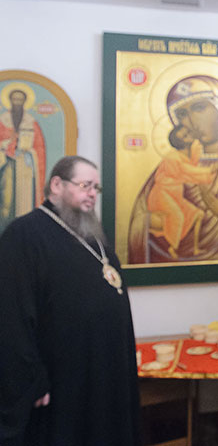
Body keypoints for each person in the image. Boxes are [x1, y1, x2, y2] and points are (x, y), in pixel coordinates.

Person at [0, 156, 140, 446]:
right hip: (63, 378)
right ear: (56, 185)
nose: (92, 194)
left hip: (103, 369)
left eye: (95, 188)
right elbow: (11, 316)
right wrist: (32, 378)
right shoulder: (24, 235)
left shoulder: (92, 235)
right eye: (85, 185)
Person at [128, 75, 218, 263]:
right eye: (182, 114)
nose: (192, 121)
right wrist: (156, 221)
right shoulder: (172, 165)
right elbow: (139, 221)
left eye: (199, 108)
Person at [146, 125, 218, 259]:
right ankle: (173, 248)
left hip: (175, 196)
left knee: (198, 214)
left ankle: (195, 248)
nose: (189, 136)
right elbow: (187, 171)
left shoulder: (188, 154)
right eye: (185, 136)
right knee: (178, 217)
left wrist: (209, 175)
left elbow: (189, 175)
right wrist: (208, 170)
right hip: (162, 195)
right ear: (180, 142)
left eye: (187, 132)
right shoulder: (172, 157)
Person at [0, 88, 47, 233]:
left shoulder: (31, 122)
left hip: (24, 167)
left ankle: (22, 232)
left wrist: (27, 150)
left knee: (24, 203)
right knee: (6, 200)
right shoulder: (2, 121)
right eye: (15, 99)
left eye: (20, 100)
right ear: (10, 101)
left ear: (25, 102)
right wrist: (8, 144)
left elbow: (39, 148)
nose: (17, 103)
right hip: (5, 165)